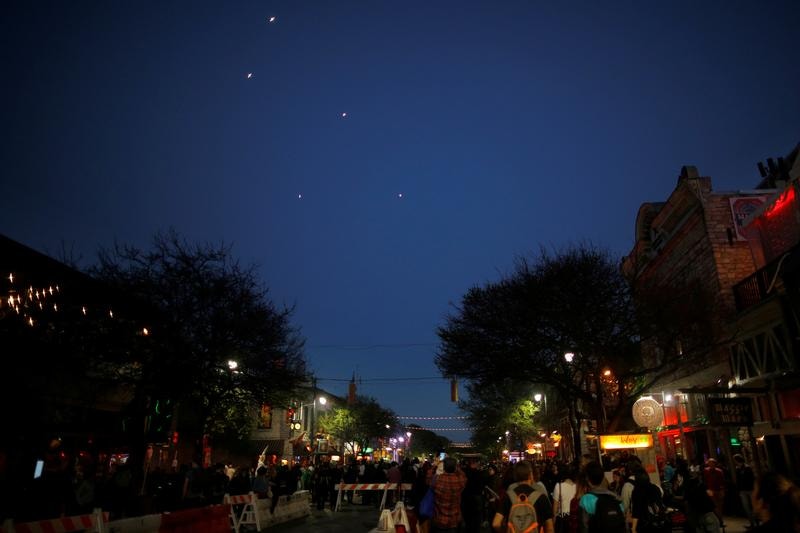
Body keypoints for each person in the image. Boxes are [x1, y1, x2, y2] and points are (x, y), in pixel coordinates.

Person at [493, 460, 554, 533]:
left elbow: (495, 524)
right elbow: (549, 527)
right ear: (530, 475)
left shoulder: (508, 496)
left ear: (515, 476)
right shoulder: (541, 496)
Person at [578, 461, 625, 533]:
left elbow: (584, 527)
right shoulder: (616, 497)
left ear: (587, 479)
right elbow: (624, 524)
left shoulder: (585, 500)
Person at [431, 457, 467, 533]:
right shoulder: (459, 481)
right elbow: (463, 475)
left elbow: (428, 478)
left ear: (444, 467)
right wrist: (456, 467)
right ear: (455, 467)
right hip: (454, 520)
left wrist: (434, 466)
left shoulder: (438, 480)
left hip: (439, 519)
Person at [734, 454, 756, 530]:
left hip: (749, 489)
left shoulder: (747, 468)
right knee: (746, 506)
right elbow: (738, 480)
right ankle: (752, 522)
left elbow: (751, 478)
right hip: (743, 490)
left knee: (752, 506)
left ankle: (755, 522)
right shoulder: (738, 469)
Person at [703, 458, 725, 525]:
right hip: (711, 490)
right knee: (715, 505)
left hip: (718, 490)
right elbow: (705, 480)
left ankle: (720, 519)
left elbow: (722, 481)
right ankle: (719, 520)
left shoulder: (719, 471)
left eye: (712, 463)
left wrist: (722, 490)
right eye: (710, 463)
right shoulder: (706, 471)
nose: (711, 464)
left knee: (719, 506)